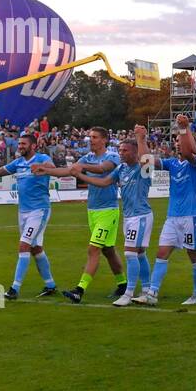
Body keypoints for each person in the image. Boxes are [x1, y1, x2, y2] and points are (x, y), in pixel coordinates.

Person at [33, 126, 127, 302]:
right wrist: (47, 171)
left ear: (104, 139)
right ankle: (123, 285)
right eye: (90, 137)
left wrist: (80, 166)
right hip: (92, 210)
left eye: (95, 137)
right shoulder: (88, 157)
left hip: (108, 211)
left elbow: (102, 169)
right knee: (108, 250)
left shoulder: (112, 156)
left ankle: (79, 290)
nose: (91, 140)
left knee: (93, 249)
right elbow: (69, 171)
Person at [0, 132, 58, 299]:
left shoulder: (42, 157)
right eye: (19, 144)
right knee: (35, 248)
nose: (20, 146)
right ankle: (50, 285)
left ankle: (14, 289)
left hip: (39, 210)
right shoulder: (18, 163)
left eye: (23, 144)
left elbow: (54, 168)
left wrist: (43, 168)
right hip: (23, 211)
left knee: (23, 245)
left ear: (33, 145)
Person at [72, 126, 154, 306]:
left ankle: (128, 293)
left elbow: (147, 159)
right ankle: (148, 290)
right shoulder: (122, 168)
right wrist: (81, 176)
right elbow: (103, 182)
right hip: (129, 216)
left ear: (135, 153)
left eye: (125, 150)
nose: (121, 153)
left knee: (130, 253)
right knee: (139, 253)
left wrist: (141, 139)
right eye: (120, 150)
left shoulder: (143, 169)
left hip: (141, 216)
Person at [138, 114, 196, 305]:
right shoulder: (171, 163)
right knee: (162, 253)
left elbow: (187, 151)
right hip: (172, 217)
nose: (177, 143)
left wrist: (184, 128)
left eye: (180, 140)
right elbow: (145, 165)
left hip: (190, 216)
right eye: (175, 140)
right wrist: (141, 140)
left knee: (194, 255)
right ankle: (152, 293)